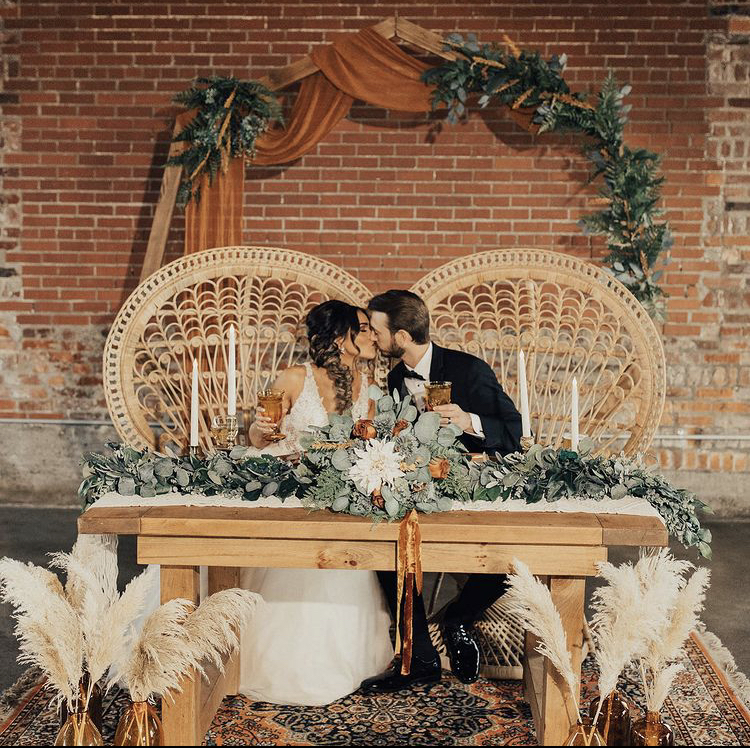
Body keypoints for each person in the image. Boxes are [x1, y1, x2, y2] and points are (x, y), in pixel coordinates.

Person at [361, 289, 522, 693]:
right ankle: (420, 657)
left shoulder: (468, 369)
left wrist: (468, 420)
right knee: (387, 538)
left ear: (400, 336)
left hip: (478, 486)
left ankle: (457, 619)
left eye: (376, 329)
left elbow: (514, 433)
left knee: (512, 559)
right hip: (425, 489)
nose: (373, 337)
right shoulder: (397, 378)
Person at [241, 300, 393, 705]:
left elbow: (374, 445)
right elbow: (258, 439)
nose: (371, 337)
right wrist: (259, 429)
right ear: (341, 338)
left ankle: (335, 659)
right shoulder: (293, 378)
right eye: (362, 329)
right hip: (288, 493)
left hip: (341, 499)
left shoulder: (371, 390)